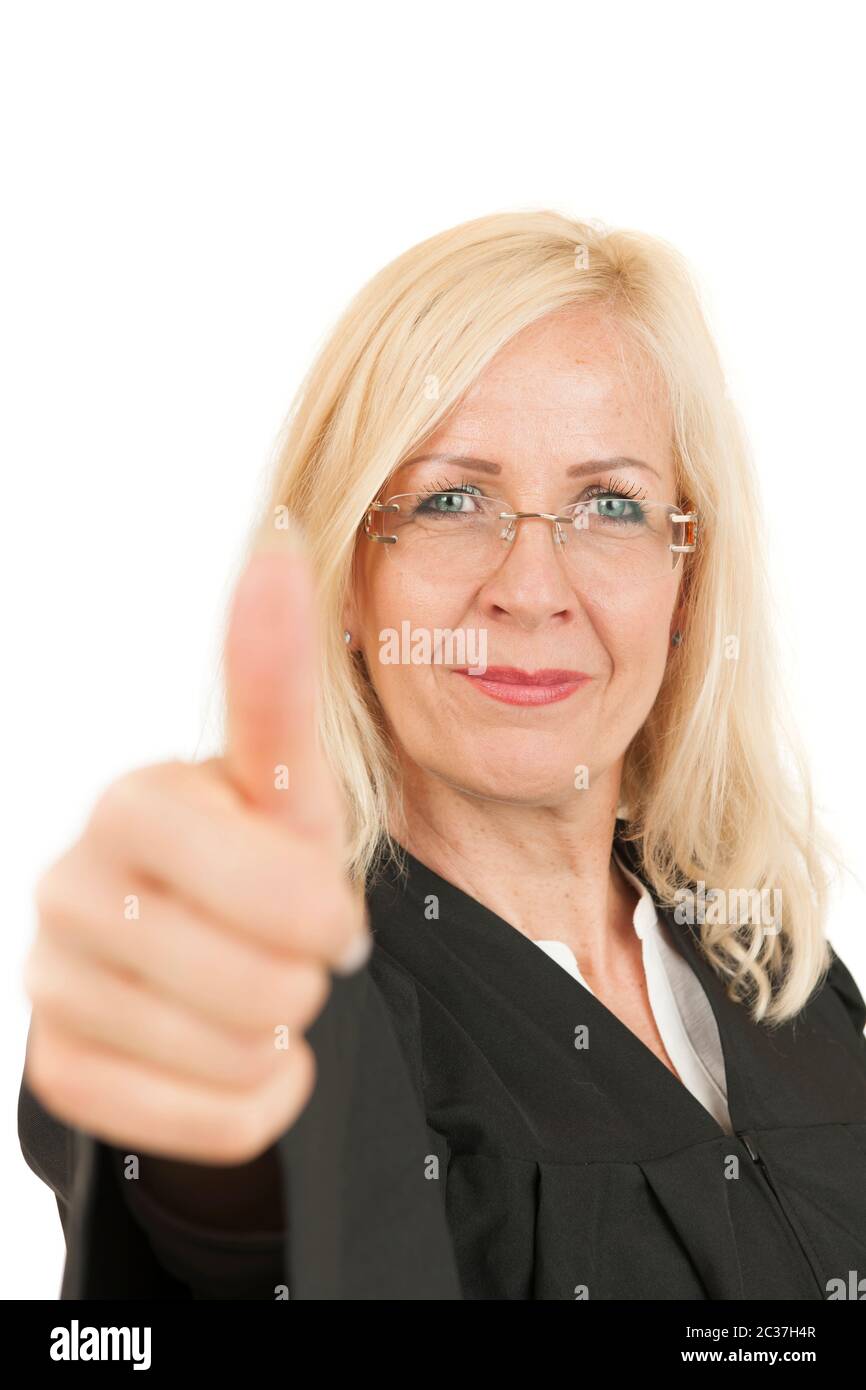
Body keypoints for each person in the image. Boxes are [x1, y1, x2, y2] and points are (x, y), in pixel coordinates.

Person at [18, 210, 866, 1300]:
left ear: (682, 584)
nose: (528, 586)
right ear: (347, 580)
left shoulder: (774, 965)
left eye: (608, 504)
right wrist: (200, 1151)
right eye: (448, 499)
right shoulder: (300, 987)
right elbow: (253, 1235)